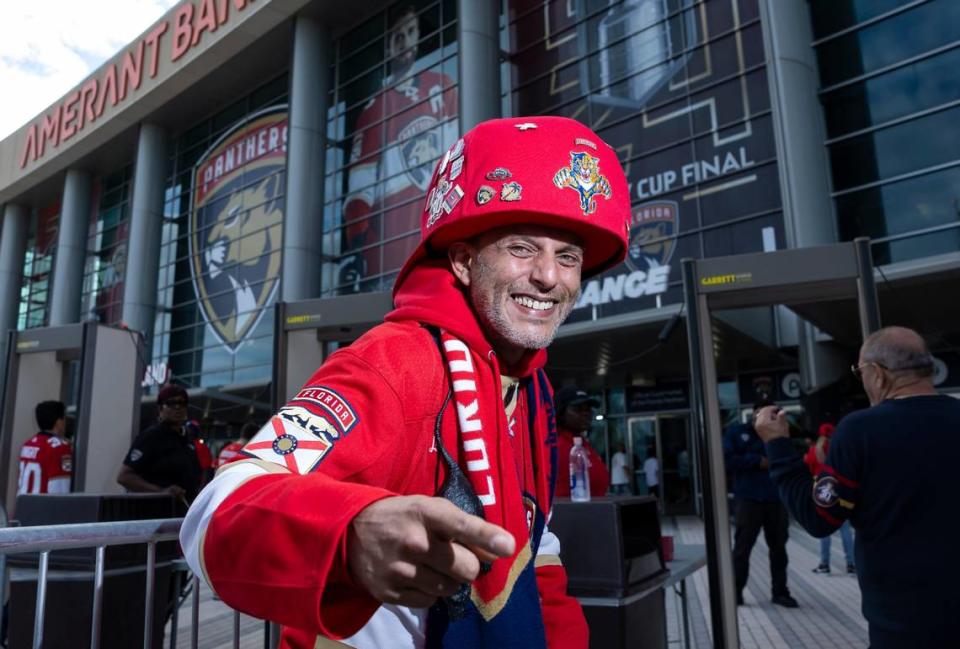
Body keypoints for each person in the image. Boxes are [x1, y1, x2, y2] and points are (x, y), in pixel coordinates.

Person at [180, 116, 631, 648]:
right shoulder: (396, 361)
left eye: (568, 257)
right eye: (522, 248)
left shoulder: (531, 386)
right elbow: (218, 508)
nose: (549, 277)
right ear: (464, 262)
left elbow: (535, 548)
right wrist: (350, 534)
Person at [756, 326, 960, 648]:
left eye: (859, 371)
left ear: (877, 374)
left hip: (904, 626)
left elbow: (819, 519)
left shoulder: (861, 430)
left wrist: (778, 446)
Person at [339, 4, 458, 293]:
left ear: (419, 37)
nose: (405, 40)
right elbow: (360, 190)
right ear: (388, 47)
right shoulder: (374, 109)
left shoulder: (442, 87)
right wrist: (356, 247)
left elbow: (461, 161)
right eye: (397, 36)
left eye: (410, 31)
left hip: (438, 251)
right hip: (390, 262)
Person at [723, 400, 799, 608]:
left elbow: (793, 459)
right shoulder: (737, 433)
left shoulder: (781, 435)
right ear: (754, 413)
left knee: (779, 548)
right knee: (742, 548)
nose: (768, 418)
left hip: (776, 499)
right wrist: (757, 461)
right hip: (748, 499)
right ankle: (736, 592)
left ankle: (780, 592)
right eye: (764, 413)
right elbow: (727, 459)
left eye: (774, 414)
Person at [117, 384, 202, 511]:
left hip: (183, 515)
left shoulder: (186, 438)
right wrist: (161, 491)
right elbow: (124, 477)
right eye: (171, 403)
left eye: (182, 403)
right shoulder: (152, 436)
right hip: (156, 517)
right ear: (160, 409)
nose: (178, 407)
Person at [803, 423, 854, 575]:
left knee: (824, 530)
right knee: (845, 530)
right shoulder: (839, 449)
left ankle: (824, 564)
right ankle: (851, 564)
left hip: (822, 491)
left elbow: (808, 469)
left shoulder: (814, 450)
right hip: (839, 490)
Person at [553, 385, 610, 499]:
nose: (586, 413)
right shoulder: (554, 445)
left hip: (595, 511)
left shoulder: (581, 444)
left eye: (588, 409)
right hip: (569, 514)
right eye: (578, 409)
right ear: (561, 413)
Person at [17, 400, 72, 495]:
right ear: (58, 422)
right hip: (43, 507)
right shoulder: (61, 447)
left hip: (23, 507)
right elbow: (61, 489)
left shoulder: (27, 444)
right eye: (64, 418)